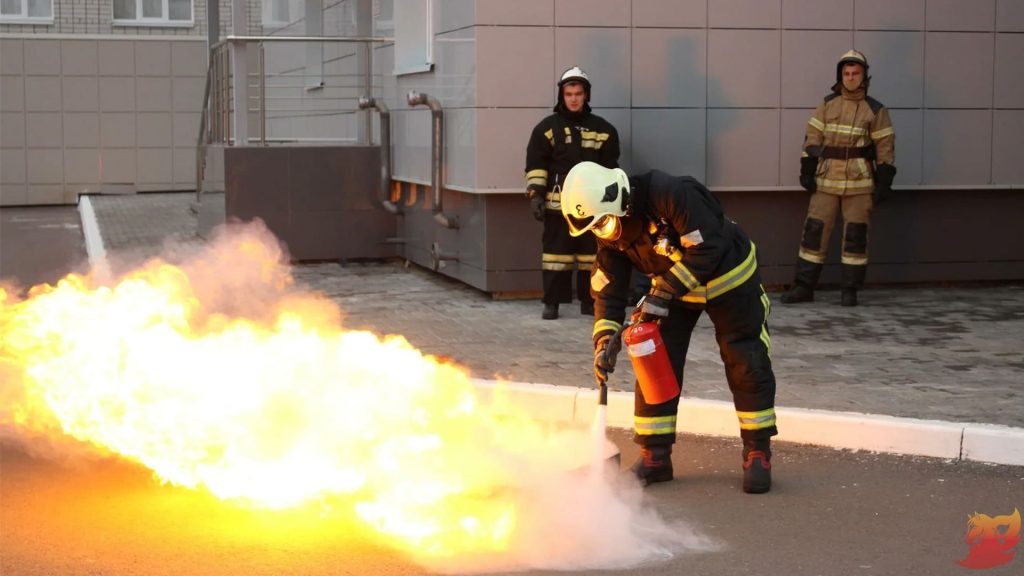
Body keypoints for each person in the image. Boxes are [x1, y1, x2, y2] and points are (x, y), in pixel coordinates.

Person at [559, 161, 778, 494]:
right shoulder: (612, 235)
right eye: (595, 227)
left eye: (602, 222)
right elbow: (608, 289)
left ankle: (757, 451)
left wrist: (662, 293)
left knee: (745, 359)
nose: (603, 231)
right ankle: (656, 455)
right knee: (652, 358)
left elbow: (708, 248)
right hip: (675, 290)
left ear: (616, 198)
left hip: (730, 279)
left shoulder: (671, 194)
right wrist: (604, 341)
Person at [782, 49, 896, 307]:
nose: (851, 77)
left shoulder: (876, 110)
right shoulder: (827, 104)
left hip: (860, 184)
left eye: (856, 73)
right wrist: (807, 170)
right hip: (826, 181)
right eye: (846, 73)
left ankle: (850, 290)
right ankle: (804, 287)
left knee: (856, 236)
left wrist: (885, 179)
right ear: (840, 75)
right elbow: (812, 138)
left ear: (864, 76)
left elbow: (885, 146)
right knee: (813, 234)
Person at [524, 66, 621, 320]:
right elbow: (536, 165)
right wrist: (535, 195)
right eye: (569, 94)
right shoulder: (547, 129)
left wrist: (612, 204)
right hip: (558, 207)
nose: (574, 98)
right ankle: (552, 303)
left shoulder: (604, 130)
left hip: (593, 208)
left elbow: (611, 170)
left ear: (586, 95)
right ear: (562, 96)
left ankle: (590, 302)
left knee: (592, 258)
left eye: (578, 93)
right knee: (556, 257)